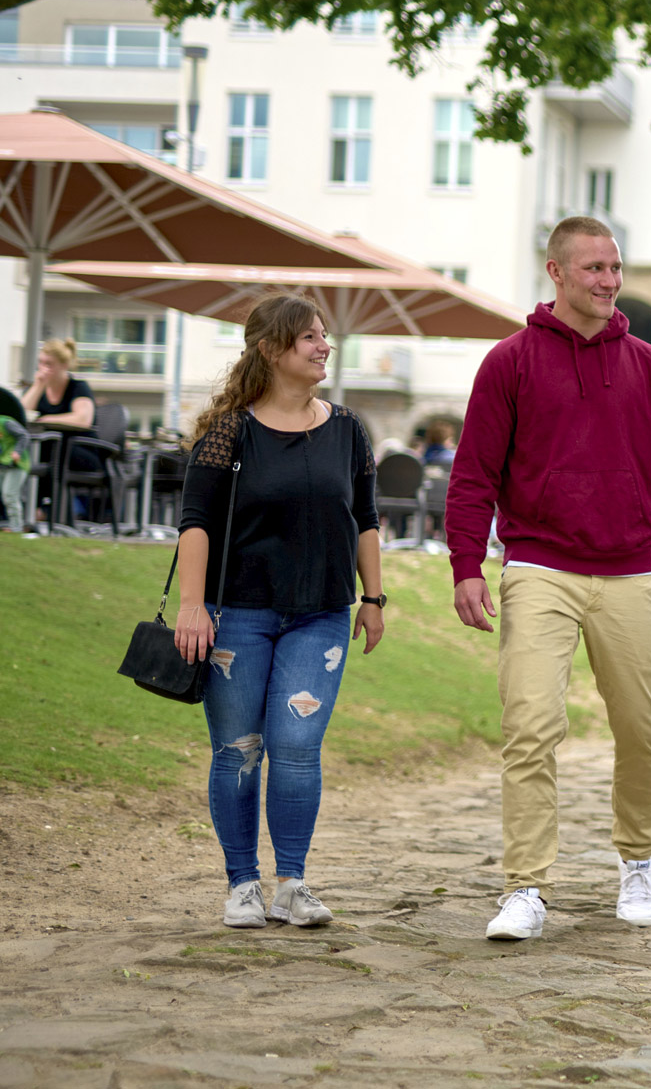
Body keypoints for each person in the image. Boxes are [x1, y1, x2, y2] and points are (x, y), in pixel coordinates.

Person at [446, 215, 651, 942]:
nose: (608, 281)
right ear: (557, 273)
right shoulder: (510, 362)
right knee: (529, 727)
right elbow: (473, 474)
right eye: (593, 268)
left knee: (641, 728)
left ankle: (637, 859)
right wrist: (465, 563)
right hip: (539, 566)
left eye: (615, 268)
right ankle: (526, 887)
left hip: (630, 572)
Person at [172, 294, 387, 930]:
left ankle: (291, 883)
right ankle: (242, 884)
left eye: (325, 337)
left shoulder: (348, 429)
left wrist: (373, 599)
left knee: (295, 745)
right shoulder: (228, 433)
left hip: (320, 613)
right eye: (310, 339)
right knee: (238, 747)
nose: (324, 347)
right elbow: (196, 523)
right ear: (271, 350)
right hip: (236, 614)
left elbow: (367, 521)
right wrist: (192, 606)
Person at [22, 337, 101, 517]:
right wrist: (38, 385)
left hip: (82, 452)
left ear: (64, 365)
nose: (43, 368)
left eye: (49, 364)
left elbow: (83, 418)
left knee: (53, 452)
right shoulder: (39, 389)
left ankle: (49, 511)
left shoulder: (78, 387)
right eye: (41, 363)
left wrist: (48, 419)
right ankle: (24, 509)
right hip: (49, 450)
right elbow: (22, 415)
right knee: (23, 453)